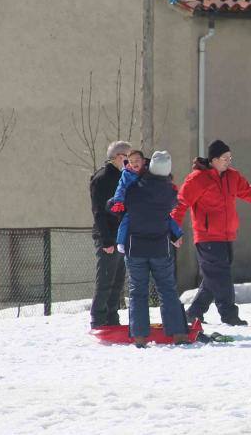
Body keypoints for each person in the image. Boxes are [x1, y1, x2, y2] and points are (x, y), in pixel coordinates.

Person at [172, 140, 251, 326]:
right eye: (225, 158)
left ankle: (193, 313)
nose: (229, 161)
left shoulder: (232, 177)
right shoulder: (197, 179)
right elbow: (180, 204)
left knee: (214, 278)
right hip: (207, 237)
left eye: (230, 158)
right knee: (222, 277)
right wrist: (174, 231)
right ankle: (229, 315)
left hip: (227, 236)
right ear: (214, 160)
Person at [120, 150, 189, 347]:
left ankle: (139, 336)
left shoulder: (135, 187)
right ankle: (177, 333)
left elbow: (121, 203)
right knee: (167, 289)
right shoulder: (170, 193)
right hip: (160, 247)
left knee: (138, 291)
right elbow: (172, 208)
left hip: (135, 247)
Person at [89, 140, 131, 328]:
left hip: (121, 235)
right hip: (108, 235)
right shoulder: (102, 178)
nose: (129, 162)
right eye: (126, 158)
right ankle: (98, 319)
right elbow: (98, 211)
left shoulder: (125, 176)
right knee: (106, 278)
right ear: (117, 157)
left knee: (118, 280)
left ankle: (112, 317)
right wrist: (106, 240)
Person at [109, 150, 183, 252]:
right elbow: (121, 188)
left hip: (149, 202)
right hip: (133, 203)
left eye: (137, 160)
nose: (134, 163)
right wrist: (118, 201)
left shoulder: (149, 172)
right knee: (126, 220)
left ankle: (177, 234)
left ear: (143, 161)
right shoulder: (127, 174)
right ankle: (121, 242)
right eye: (131, 161)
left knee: (165, 216)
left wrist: (168, 187)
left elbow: (160, 181)